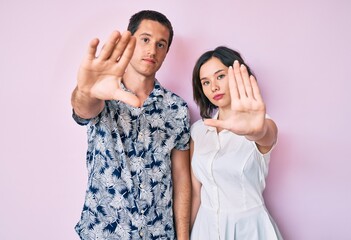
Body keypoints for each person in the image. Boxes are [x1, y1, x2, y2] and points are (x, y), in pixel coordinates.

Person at [71, 10, 191, 240]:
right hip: (104, 230)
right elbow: (83, 109)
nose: (152, 49)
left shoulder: (176, 108)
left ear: (166, 52)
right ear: (130, 41)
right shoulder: (104, 92)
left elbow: (182, 177)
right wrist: (86, 91)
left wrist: (183, 237)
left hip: (158, 233)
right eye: (145, 39)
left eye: (161, 44)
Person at [190, 46, 282, 239]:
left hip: (248, 230)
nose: (213, 86)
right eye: (205, 82)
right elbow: (196, 193)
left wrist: (257, 131)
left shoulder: (260, 124)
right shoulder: (199, 130)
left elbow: (267, 135)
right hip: (204, 229)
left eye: (220, 76)